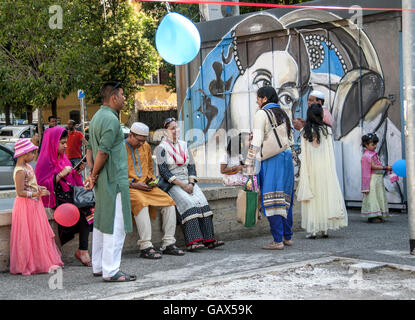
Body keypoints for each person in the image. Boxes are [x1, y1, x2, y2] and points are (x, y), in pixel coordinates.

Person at [84, 81, 136, 282]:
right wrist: (94, 173)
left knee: (101, 223)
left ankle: (98, 266)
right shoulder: (112, 120)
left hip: (102, 180)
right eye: (122, 95)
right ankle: (111, 270)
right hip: (113, 179)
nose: (124, 99)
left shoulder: (96, 117)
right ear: (114, 97)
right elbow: (103, 152)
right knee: (115, 225)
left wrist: (91, 174)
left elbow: (89, 148)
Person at [155, 117, 224, 252]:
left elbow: (191, 166)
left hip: (188, 181)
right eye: (172, 128)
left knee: (202, 201)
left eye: (177, 127)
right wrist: (182, 185)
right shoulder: (160, 148)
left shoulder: (184, 145)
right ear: (165, 132)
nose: (176, 130)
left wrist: (191, 183)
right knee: (188, 203)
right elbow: (164, 171)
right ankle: (193, 241)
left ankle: (209, 239)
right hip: (174, 183)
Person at [35, 126, 93, 266]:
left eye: (66, 142)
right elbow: (41, 184)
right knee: (84, 209)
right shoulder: (44, 161)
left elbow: (70, 178)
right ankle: (83, 250)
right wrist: (61, 174)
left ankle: (83, 250)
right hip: (56, 197)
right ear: (52, 142)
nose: (65, 146)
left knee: (89, 206)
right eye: (62, 143)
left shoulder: (63, 157)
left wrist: (77, 172)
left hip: (68, 194)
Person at [245, 86, 295, 250]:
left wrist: (249, 159)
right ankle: (287, 237)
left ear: (264, 98)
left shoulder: (262, 114)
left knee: (271, 196)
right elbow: (291, 138)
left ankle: (277, 241)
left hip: (271, 158)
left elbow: (257, 138)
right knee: (285, 198)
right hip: (286, 158)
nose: (257, 101)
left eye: (258, 98)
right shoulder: (283, 112)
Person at [126, 122, 184, 259]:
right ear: (130, 135)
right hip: (130, 187)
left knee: (169, 202)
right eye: (138, 140)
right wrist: (134, 184)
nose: (141, 144)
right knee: (141, 203)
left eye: (143, 141)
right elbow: (116, 174)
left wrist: (152, 181)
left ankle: (168, 243)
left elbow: (150, 169)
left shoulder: (145, 146)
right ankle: (145, 246)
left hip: (146, 186)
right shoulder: (120, 148)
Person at [10, 139, 63, 275]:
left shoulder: (28, 167)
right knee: (27, 234)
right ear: (23, 154)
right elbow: (20, 192)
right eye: (32, 153)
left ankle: (39, 260)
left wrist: (38, 188)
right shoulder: (20, 171)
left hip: (34, 203)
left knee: (37, 233)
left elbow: (31, 183)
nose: (34, 155)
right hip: (25, 206)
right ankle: (28, 263)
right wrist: (36, 193)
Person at [297, 104, 348, 239]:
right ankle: (325, 229)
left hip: (311, 168)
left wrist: (305, 171)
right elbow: (331, 152)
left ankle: (313, 230)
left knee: (313, 198)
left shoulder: (304, 132)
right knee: (325, 196)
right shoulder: (327, 131)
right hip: (325, 167)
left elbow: (305, 154)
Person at [361, 133, 392, 223]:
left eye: (375, 144)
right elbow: (373, 166)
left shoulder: (373, 154)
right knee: (373, 197)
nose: (375, 146)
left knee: (379, 196)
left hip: (377, 179)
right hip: (372, 179)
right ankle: (372, 216)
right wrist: (385, 167)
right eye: (372, 144)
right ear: (366, 145)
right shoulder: (367, 155)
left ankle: (378, 214)